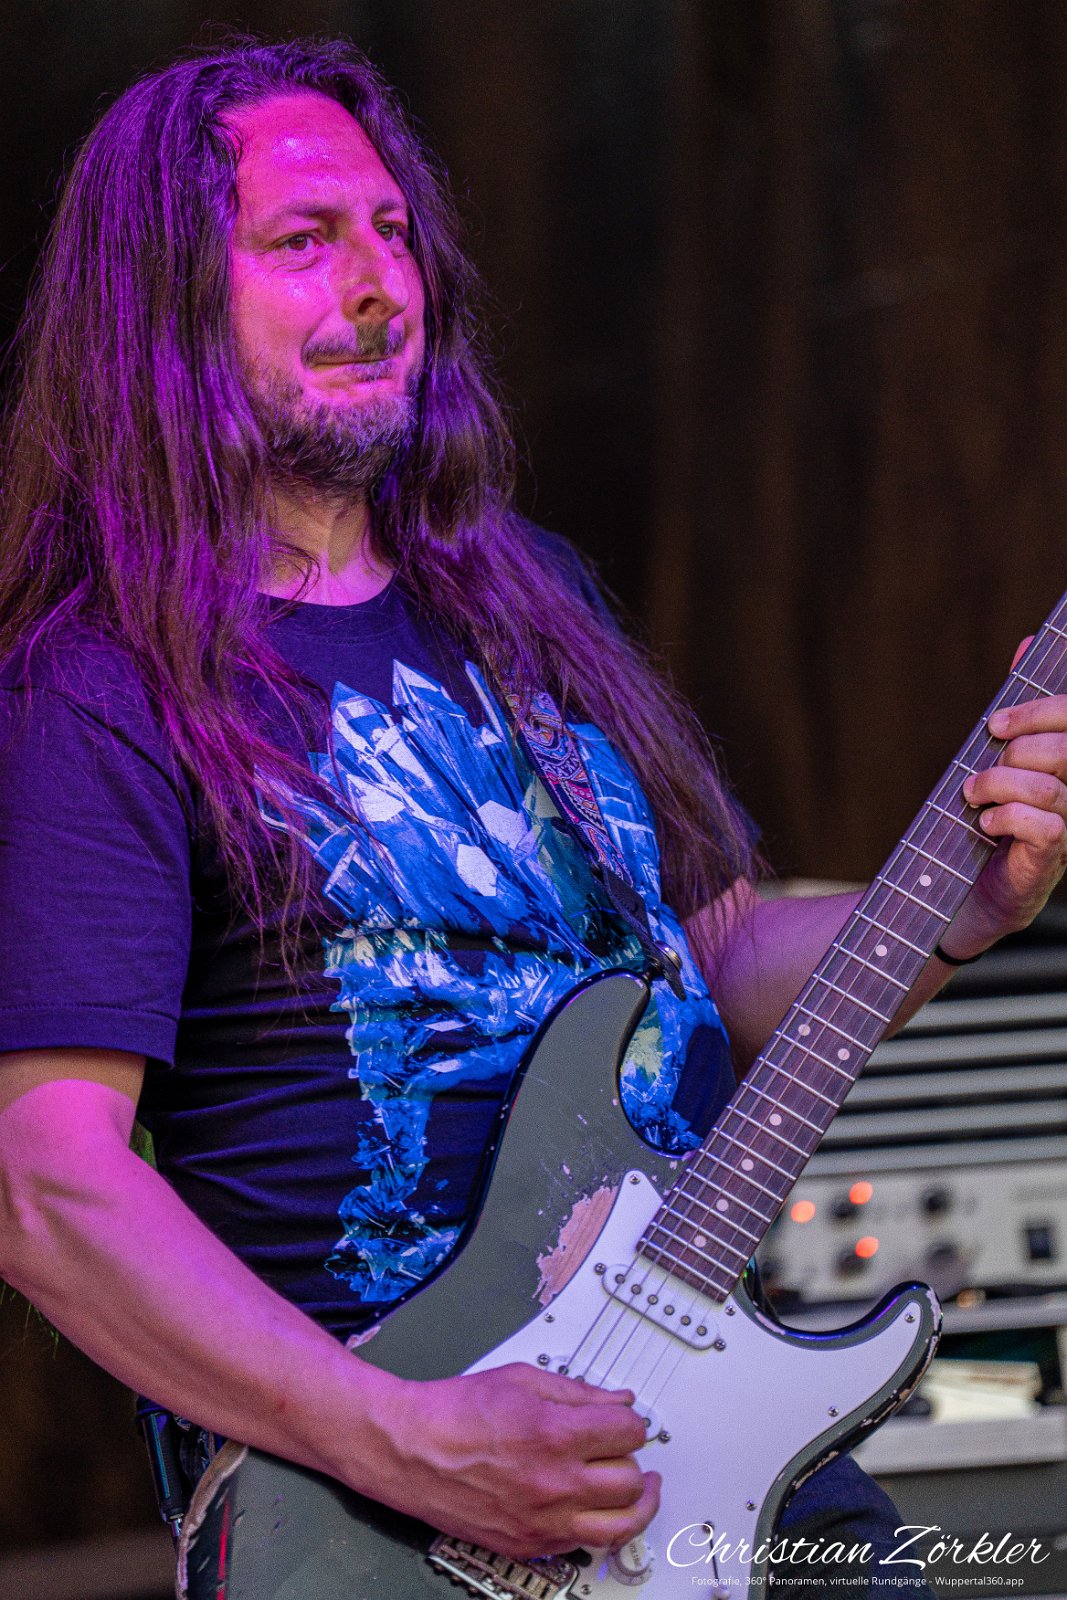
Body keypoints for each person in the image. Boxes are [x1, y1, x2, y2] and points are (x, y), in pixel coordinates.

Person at [0, 35, 1064, 1591]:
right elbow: (48, 1187)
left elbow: (712, 956)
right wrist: (405, 1438)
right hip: (382, 1514)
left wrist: (959, 911)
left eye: (392, 230)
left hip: (699, 1437)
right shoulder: (103, 683)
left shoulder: (523, 598)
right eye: (304, 240)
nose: (381, 285)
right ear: (160, 306)